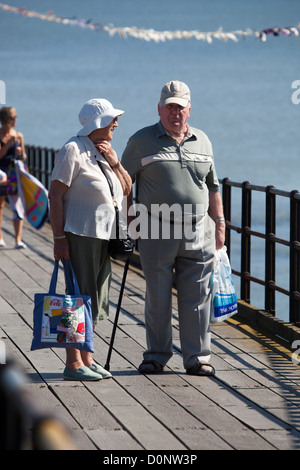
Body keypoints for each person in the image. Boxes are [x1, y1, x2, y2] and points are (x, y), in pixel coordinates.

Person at [121, 81, 225, 377]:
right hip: (157, 230)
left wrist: (220, 223)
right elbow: (123, 184)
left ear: (189, 110)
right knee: (158, 297)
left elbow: (213, 186)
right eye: (169, 107)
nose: (174, 113)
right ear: (159, 109)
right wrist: (130, 221)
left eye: (179, 107)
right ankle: (156, 356)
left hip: (199, 231)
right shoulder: (141, 140)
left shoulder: (203, 140)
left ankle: (198, 358)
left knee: (199, 299)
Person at [48, 98, 132, 381]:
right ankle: (72, 364)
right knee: (76, 297)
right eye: (112, 120)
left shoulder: (105, 150)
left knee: (94, 298)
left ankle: (88, 358)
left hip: (103, 236)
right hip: (79, 233)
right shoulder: (73, 149)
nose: (116, 124)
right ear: (98, 123)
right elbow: (55, 194)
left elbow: (127, 187)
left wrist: (115, 162)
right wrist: (59, 237)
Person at [0, 106, 27, 248]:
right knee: (0, 205)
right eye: (13, 117)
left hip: (13, 174)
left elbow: (24, 156)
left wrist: (19, 153)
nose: (15, 119)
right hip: (0, 173)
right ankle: (0, 237)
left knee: (17, 205)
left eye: (16, 117)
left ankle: (18, 239)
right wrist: (9, 144)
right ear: (6, 119)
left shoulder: (19, 135)